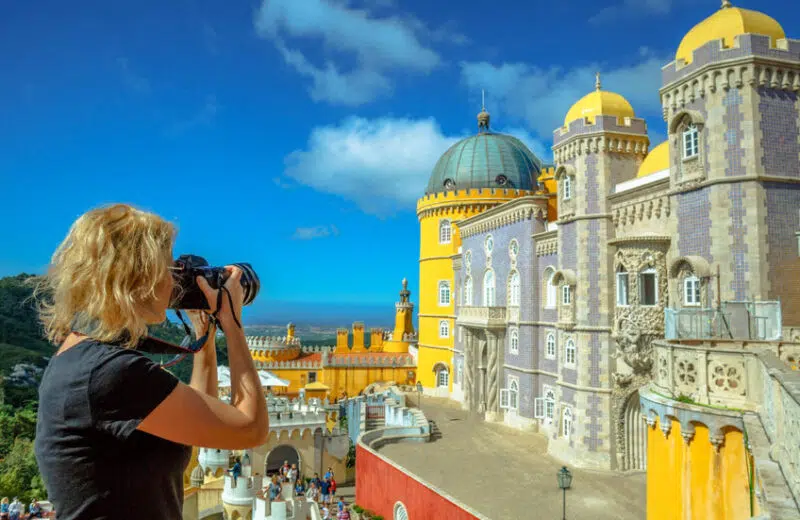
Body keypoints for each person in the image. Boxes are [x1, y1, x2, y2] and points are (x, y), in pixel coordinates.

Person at [32, 203, 270, 520]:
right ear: (137, 276)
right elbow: (250, 430)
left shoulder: (82, 358)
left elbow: (198, 427)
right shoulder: (110, 372)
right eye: (168, 270)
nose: (175, 284)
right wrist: (233, 324)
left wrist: (206, 336)